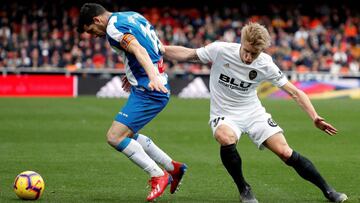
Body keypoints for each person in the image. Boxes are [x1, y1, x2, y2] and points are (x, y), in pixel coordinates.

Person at [162, 22, 348, 203]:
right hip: (224, 113)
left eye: (255, 54)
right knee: (225, 137)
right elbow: (188, 54)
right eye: (247, 51)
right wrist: (161, 49)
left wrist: (314, 116)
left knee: (285, 152)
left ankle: (328, 190)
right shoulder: (220, 49)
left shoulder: (266, 63)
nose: (249, 57)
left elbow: (295, 92)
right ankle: (244, 188)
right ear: (241, 42)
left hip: (253, 112)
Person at [77, 3, 187, 202]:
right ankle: (173, 168)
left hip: (150, 90)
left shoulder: (113, 28)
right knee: (128, 135)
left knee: (114, 137)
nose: (94, 35)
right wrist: (133, 72)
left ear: (96, 20)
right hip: (148, 85)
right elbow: (155, 47)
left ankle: (159, 175)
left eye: (91, 30)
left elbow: (138, 49)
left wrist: (151, 76)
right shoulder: (132, 16)